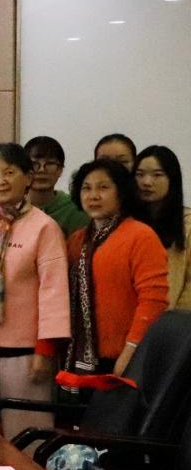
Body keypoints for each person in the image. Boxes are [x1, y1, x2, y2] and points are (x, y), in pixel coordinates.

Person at [0, 143, 70, 439]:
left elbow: (54, 292)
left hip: (26, 353)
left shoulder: (44, 227)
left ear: (28, 178)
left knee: (25, 438)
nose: (0, 181)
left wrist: (45, 350)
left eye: (9, 172)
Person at [65, 159, 168, 380]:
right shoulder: (77, 241)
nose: (93, 196)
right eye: (86, 188)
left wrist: (131, 351)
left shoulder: (141, 236)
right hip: (82, 360)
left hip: (127, 357)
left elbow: (154, 301)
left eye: (103, 187)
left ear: (121, 193)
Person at [133, 146, 191, 310]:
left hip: (174, 319)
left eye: (157, 175)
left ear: (172, 179)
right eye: (139, 174)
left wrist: (174, 320)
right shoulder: (126, 222)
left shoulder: (187, 224)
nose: (146, 182)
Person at [23, 136, 89, 237]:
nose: (42, 170)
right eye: (34, 164)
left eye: (50, 163)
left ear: (60, 170)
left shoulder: (76, 209)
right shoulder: (13, 208)